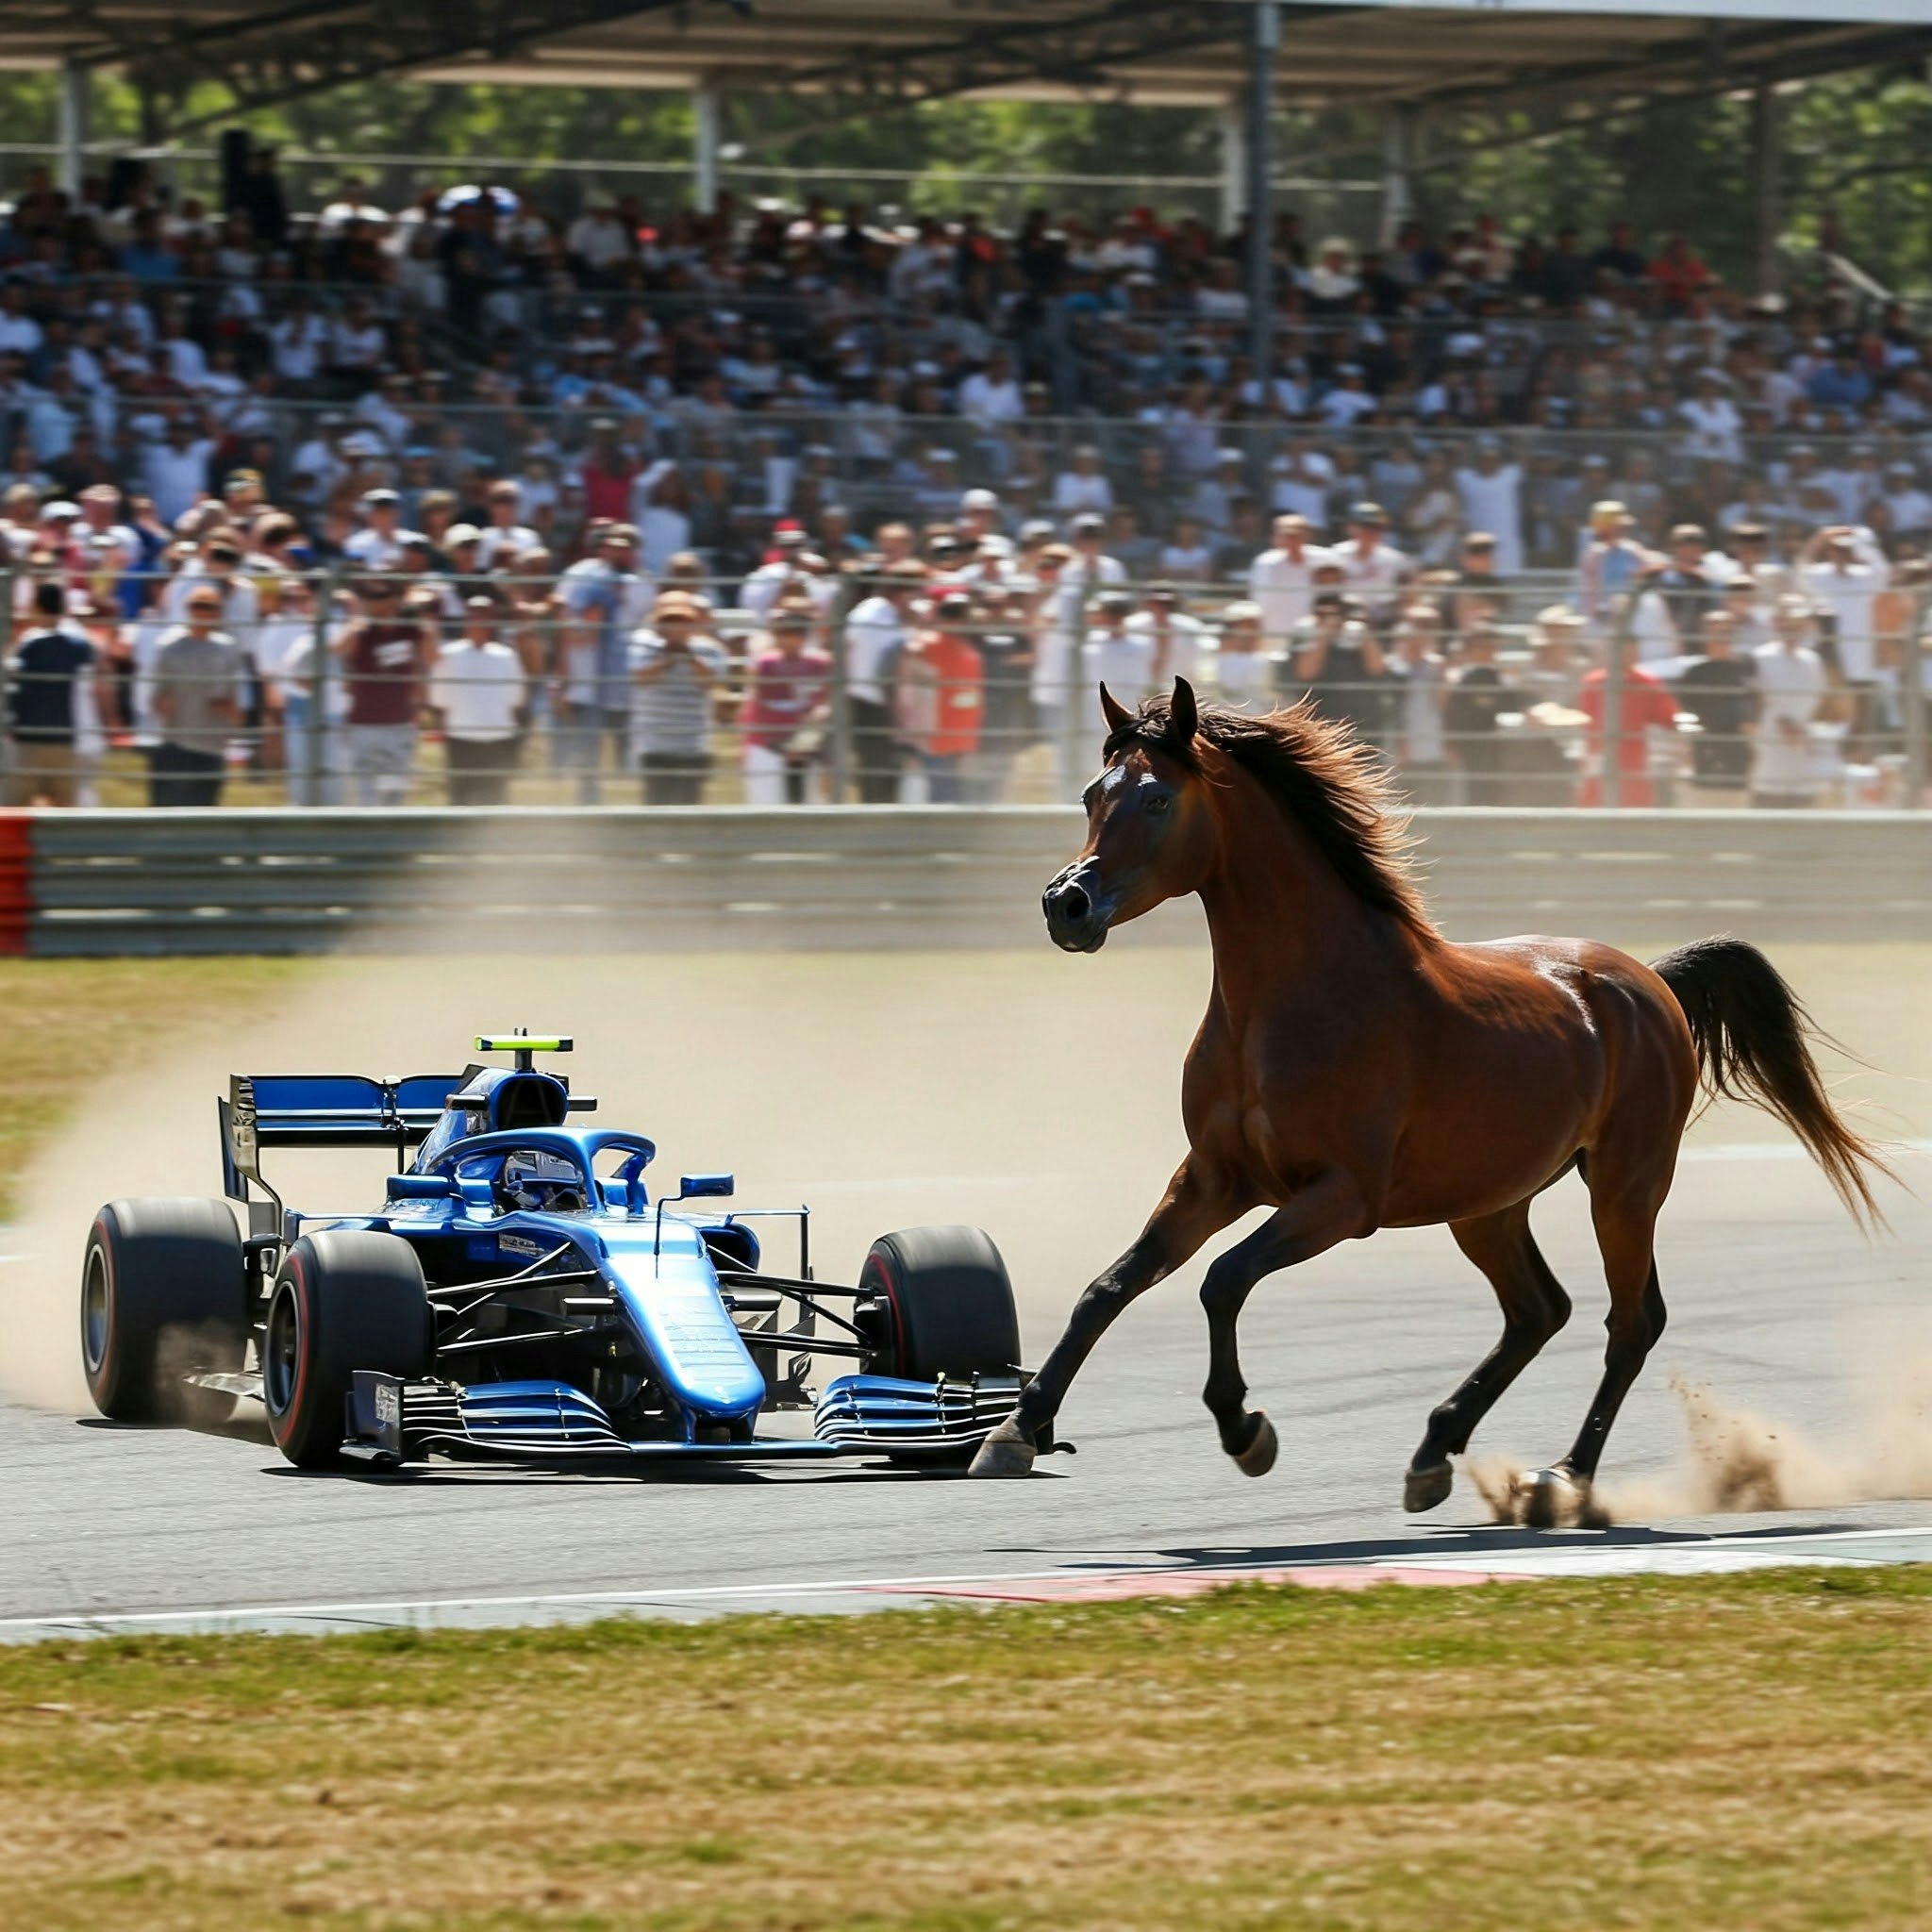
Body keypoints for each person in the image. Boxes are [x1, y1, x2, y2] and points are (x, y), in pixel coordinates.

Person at [336, 574, 434, 807]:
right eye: (368, 596)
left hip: (399, 724)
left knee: (393, 793)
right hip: (364, 724)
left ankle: (390, 825)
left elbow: (431, 658)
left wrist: (424, 618)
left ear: (395, 600)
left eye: (380, 596)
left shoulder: (411, 630)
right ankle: (370, 827)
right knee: (367, 794)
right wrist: (356, 623)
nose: (372, 602)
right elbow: (338, 650)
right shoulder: (360, 631)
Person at [147, 584, 243, 807]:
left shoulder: (228, 648)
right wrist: (163, 704)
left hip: (212, 746)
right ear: (188, 609)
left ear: (219, 612)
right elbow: (157, 697)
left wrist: (230, 717)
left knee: (204, 814)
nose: (203, 612)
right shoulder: (169, 647)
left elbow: (236, 701)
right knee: (167, 812)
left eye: (210, 607)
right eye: (198, 606)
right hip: (175, 744)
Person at [630, 591, 726, 805]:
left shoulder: (709, 649)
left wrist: (690, 658)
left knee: (690, 812)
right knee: (655, 810)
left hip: (692, 746)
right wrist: (667, 660)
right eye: (669, 621)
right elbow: (640, 678)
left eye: (681, 621)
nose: (675, 628)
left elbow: (710, 683)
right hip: (654, 746)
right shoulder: (642, 643)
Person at [429, 596, 526, 807]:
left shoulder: (506, 656)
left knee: (495, 797)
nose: (478, 621)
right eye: (473, 615)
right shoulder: (449, 654)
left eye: (484, 615)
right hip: (461, 738)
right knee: (460, 798)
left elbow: (515, 698)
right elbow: (440, 698)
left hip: (498, 738)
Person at [893, 589, 985, 805]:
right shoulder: (929, 647)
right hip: (936, 738)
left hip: (944, 738)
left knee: (944, 795)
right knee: (943, 796)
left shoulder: (964, 654)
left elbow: (971, 701)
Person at [841, 560, 922, 804]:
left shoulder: (869, 610)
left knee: (875, 780)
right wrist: (898, 723)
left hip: (860, 704)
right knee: (882, 785)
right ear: (906, 593)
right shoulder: (883, 623)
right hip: (878, 710)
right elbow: (885, 678)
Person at [7, 578, 92, 805]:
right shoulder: (79, 646)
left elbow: (14, 689)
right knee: (65, 816)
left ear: (37, 606)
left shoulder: (28, 645)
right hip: (66, 740)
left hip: (29, 741)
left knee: (15, 811)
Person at [1577, 626, 1682, 808]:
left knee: (1633, 805)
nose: (1627, 655)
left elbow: (1670, 718)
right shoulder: (1593, 683)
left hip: (1633, 761)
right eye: (1622, 650)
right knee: (1595, 803)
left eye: (1631, 650)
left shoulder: (1646, 683)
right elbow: (1583, 718)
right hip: (1600, 756)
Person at [741, 605, 832, 806]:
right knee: (766, 808)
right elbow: (763, 706)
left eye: (797, 633)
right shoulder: (766, 664)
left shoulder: (821, 663)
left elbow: (825, 704)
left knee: (809, 808)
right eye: (784, 633)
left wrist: (805, 739)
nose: (790, 639)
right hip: (768, 746)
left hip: (808, 748)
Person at [1282, 590, 1388, 749]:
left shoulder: (1357, 633)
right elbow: (1306, 673)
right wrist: (1324, 635)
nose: (1332, 618)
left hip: (1361, 717)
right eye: (1324, 614)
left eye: (1337, 613)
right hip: (1320, 717)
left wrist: (1363, 632)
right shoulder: (1305, 632)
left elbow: (1377, 668)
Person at [1674, 608, 1757, 808]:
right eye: (1715, 632)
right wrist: (1690, 743)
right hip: (1706, 755)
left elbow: (1756, 705)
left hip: (1739, 755)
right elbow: (1683, 714)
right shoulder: (1694, 673)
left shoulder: (1746, 667)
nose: (1721, 638)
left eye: (1727, 631)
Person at [1751, 596, 1828, 808]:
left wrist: (1803, 732)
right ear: (1776, 622)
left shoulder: (1813, 660)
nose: (1793, 627)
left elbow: (1819, 702)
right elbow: (1754, 703)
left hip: (1803, 757)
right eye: (1787, 620)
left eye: (1799, 622)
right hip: (1769, 756)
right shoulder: (1760, 657)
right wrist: (1781, 723)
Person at [1248, 512, 1332, 655]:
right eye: (1286, 534)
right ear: (1276, 537)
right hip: (1273, 634)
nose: (1292, 539)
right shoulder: (1265, 563)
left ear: (1308, 535)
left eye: (1297, 534)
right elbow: (1258, 600)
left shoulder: (1325, 559)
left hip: (1312, 636)